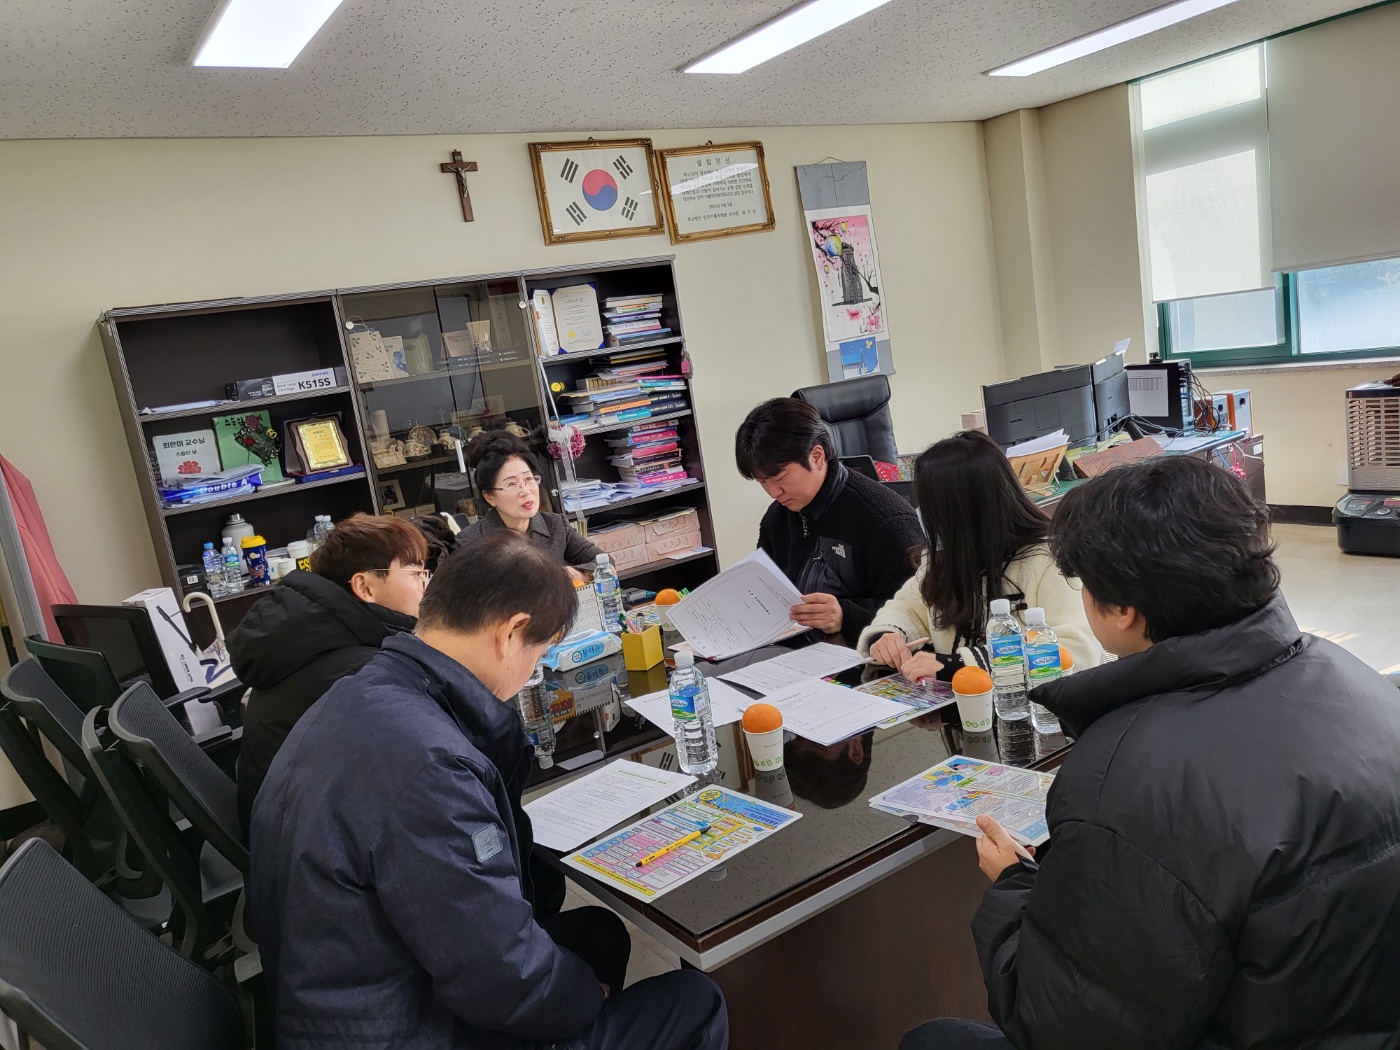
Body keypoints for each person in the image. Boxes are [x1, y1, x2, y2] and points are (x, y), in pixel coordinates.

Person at [902, 456, 1400, 1050]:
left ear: (1123, 609)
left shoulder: (1126, 779)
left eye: (1085, 586)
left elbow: (1066, 1025)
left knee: (932, 1040)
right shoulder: (1354, 673)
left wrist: (1013, 885)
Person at [250, 530, 728, 1050]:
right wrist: (590, 997)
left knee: (597, 934)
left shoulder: (360, 691)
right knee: (694, 1000)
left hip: (347, 994)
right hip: (402, 1028)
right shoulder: (431, 769)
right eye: (540, 652)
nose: (532, 670)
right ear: (511, 632)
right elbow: (503, 979)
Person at [228, 512, 429, 838]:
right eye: (416, 573)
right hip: (305, 845)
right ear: (364, 586)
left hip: (283, 826)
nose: (425, 584)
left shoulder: (314, 634)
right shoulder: (360, 669)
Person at [858, 431, 1097, 681]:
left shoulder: (1049, 560)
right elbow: (904, 609)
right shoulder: (944, 561)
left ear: (958, 512)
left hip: (1025, 702)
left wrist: (960, 665)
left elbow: (1077, 650)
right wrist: (887, 635)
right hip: (964, 700)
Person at [735, 398, 924, 644]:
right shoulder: (778, 517)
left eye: (779, 478)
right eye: (762, 482)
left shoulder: (886, 520)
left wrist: (846, 616)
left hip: (860, 655)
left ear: (816, 457)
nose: (773, 492)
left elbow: (918, 615)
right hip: (790, 650)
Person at [456, 430, 601, 579]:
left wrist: (580, 574)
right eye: (511, 484)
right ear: (489, 497)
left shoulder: (556, 525)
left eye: (528, 479)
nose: (525, 491)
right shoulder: (469, 542)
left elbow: (603, 562)